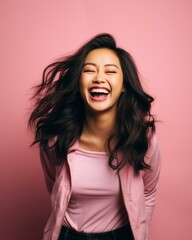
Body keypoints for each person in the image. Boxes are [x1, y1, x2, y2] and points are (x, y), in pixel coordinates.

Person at [28, 33, 161, 240]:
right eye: (89, 70)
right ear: (79, 82)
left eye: (110, 71)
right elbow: (54, 186)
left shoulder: (142, 138)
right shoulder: (54, 138)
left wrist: (140, 232)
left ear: (124, 85)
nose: (99, 78)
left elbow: (148, 191)